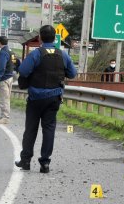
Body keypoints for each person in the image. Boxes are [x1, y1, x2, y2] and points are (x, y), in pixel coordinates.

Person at [15, 25, 77, 173]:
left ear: (40, 38)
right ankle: (45, 163)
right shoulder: (62, 55)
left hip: (36, 98)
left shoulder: (36, 54)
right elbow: (72, 74)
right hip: (54, 97)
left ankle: (26, 161)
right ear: (55, 37)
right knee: (49, 129)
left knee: (31, 129)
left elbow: (23, 71)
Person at [0, 36, 14, 124]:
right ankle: (2, 116)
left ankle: (5, 117)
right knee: (6, 98)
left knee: (4, 98)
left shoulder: (3, 53)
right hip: (10, 77)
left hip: (4, 78)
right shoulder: (10, 51)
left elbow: (1, 67)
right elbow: (16, 62)